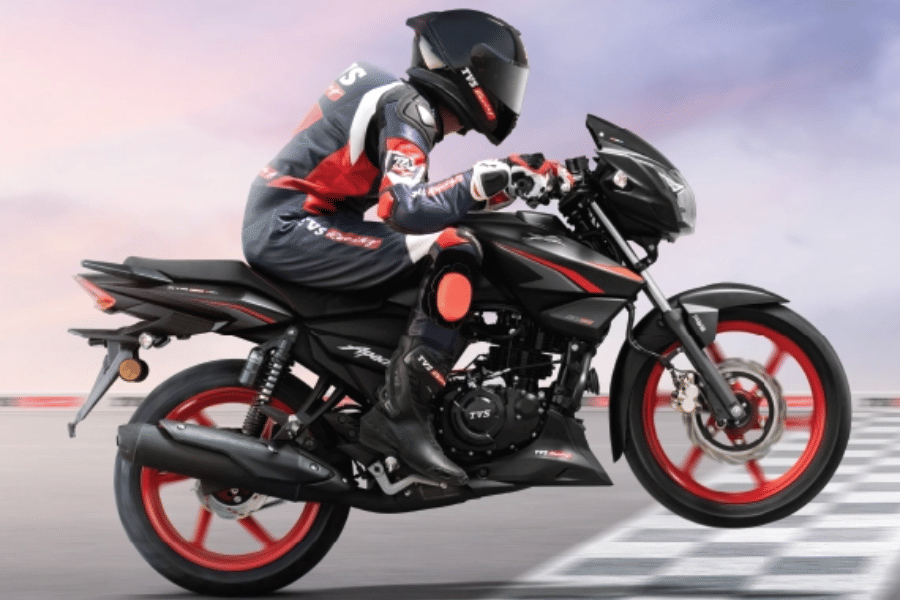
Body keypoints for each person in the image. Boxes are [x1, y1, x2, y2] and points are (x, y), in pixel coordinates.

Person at [242, 9, 573, 486]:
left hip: (301, 221)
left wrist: (518, 179)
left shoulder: (403, 105)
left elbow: (424, 203)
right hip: (290, 225)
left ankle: (405, 393)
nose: (507, 91)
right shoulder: (408, 106)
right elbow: (403, 208)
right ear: (468, 69)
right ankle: (401, 417)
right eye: (502, 77)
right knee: (455, 247)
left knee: (455, 244)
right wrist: (482, 179)